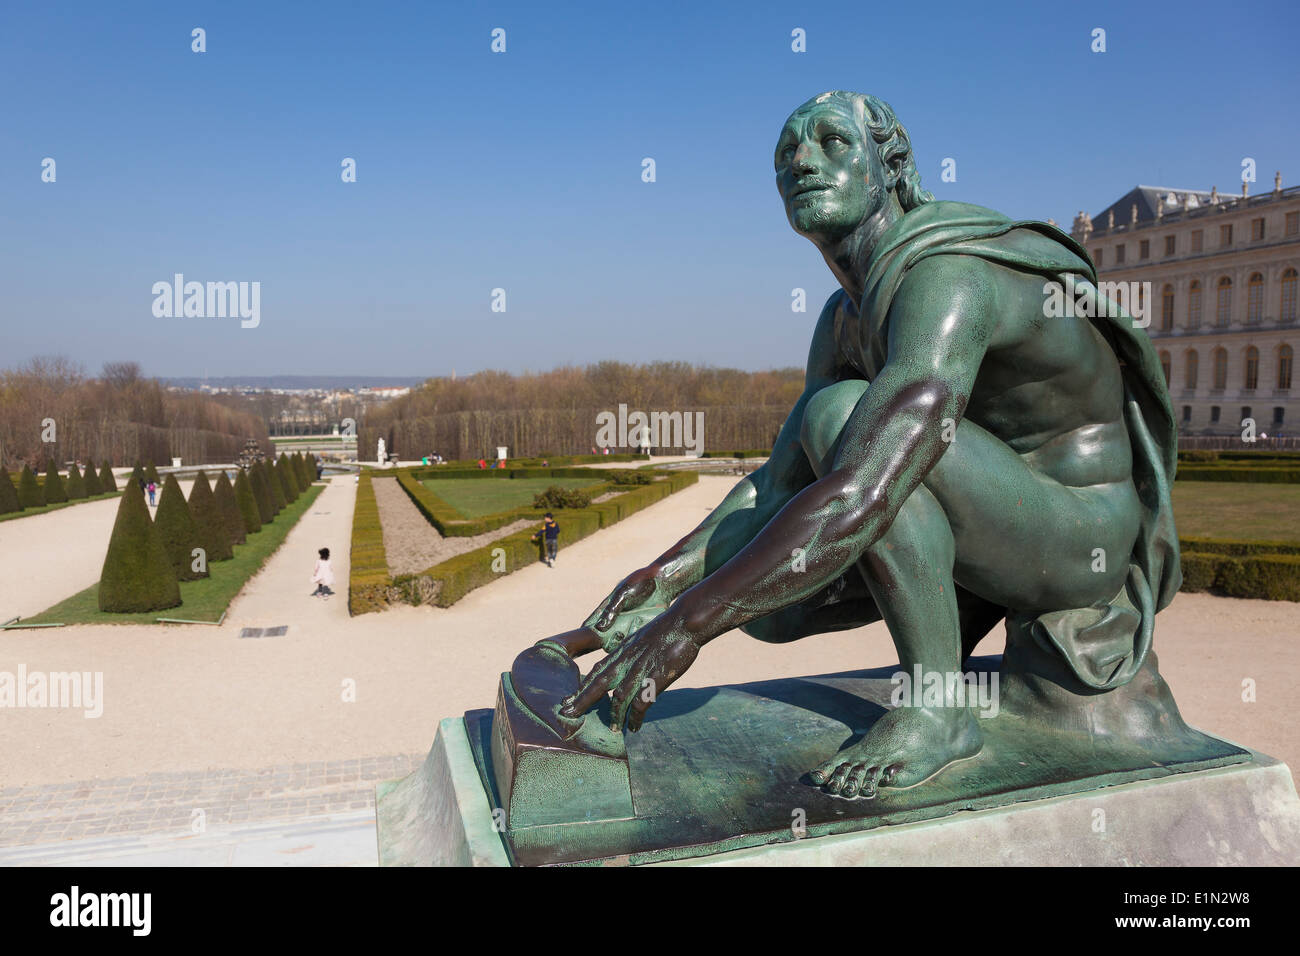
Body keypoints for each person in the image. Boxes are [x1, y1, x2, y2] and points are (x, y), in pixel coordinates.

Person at [561, 91, 1180, 800]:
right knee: (777, 606)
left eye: (832, 142)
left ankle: (937, 710)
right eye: (786, 152)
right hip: (997, 509)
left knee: (845, 419)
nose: (801, 161)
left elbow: (869, 482)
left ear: (892, 170)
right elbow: (777, 483)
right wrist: (660, 584)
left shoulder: (947, 280)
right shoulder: (844, 315)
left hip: (1078, 537)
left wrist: (690, 625)